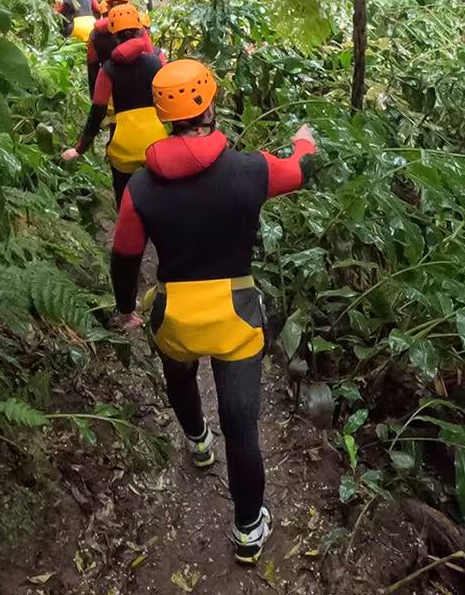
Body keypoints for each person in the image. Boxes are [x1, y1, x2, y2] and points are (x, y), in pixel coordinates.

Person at [108, 59, 317, 565]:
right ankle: (248, 529)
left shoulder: (140, 188)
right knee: (241, 427)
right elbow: (300, 170)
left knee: (179, 378)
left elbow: (125, 256)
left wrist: (126, 309)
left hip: (175, 318)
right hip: (235, 318)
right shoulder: (251, 170)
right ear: (209, 108)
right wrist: (304, 141)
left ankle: (198, 442)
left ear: (164, 115)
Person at [62, 4, 167, 203]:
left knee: (124, 196)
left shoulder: (108, 70)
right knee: (160, 195)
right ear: (140, 30)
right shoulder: (156, 60)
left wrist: (80, 148)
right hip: (156, 141)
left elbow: (98, 111)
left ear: (114, 36)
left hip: (124, 145)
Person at [85, 0, 137, 91]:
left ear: (107, 5)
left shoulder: (96, 33)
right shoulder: (138, 27)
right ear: (127, 3)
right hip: (138, 83)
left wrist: (94, 93)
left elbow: (92, 66)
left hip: (110, 83)